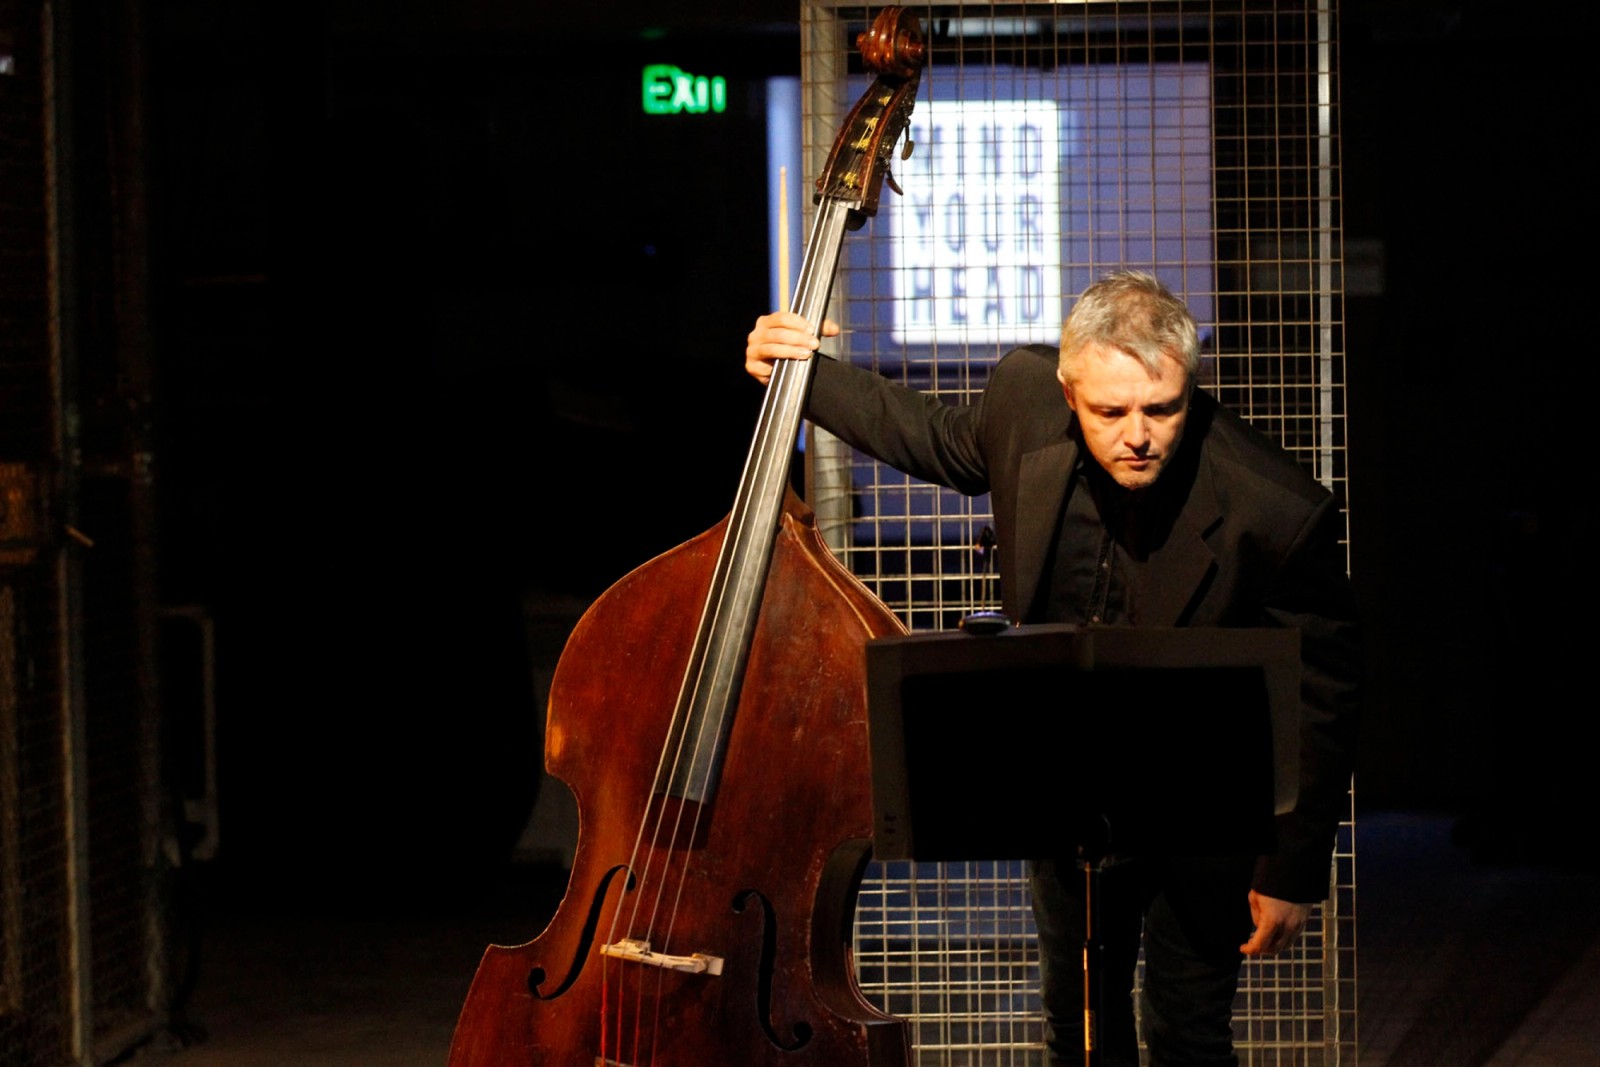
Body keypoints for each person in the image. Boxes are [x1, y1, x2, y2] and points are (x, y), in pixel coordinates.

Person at [744, 271, 1360, 1066]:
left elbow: (1328, 693)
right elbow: (929, 434)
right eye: (1110, 411)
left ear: (1190, 389)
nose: (1137, 434)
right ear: (1071, 394)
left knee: (1187, 1033)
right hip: (1071, 789)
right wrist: (801, 374)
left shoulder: (1276, 510)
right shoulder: (1022, 400)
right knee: (1078, 1025)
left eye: (1161, 408)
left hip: (1203, 800)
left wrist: (1293, 869)